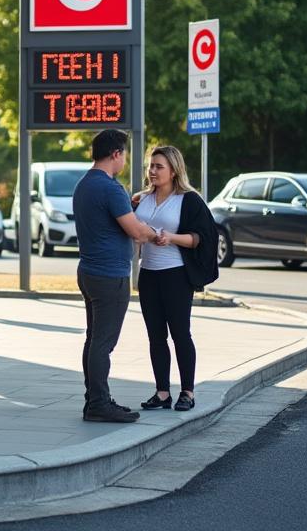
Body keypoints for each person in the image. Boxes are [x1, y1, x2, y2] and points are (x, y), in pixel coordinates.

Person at [72, 129, 158, 423]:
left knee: (93, 339)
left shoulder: (84, 184)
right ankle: (98, 404)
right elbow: (136, 232)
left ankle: (95, 400)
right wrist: (155, 234)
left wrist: (128, 208)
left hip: (89, 272)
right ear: (116, 154)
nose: (125, 160)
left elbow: (106, 220)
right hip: (110, 276)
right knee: (103, 343)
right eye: (125, 154)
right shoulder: (111, 189)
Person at [133, 145, 220, 413]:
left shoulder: (189, 200)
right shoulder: (141, 199)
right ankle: (162, 393)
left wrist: (170, 238)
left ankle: (187, 392)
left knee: (180, 333)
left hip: (176, 275)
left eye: (159, 166)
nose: (153, 171)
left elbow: (202, 238)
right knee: (155, 336)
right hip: (148, 274)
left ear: (173, 170)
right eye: (151, 166)